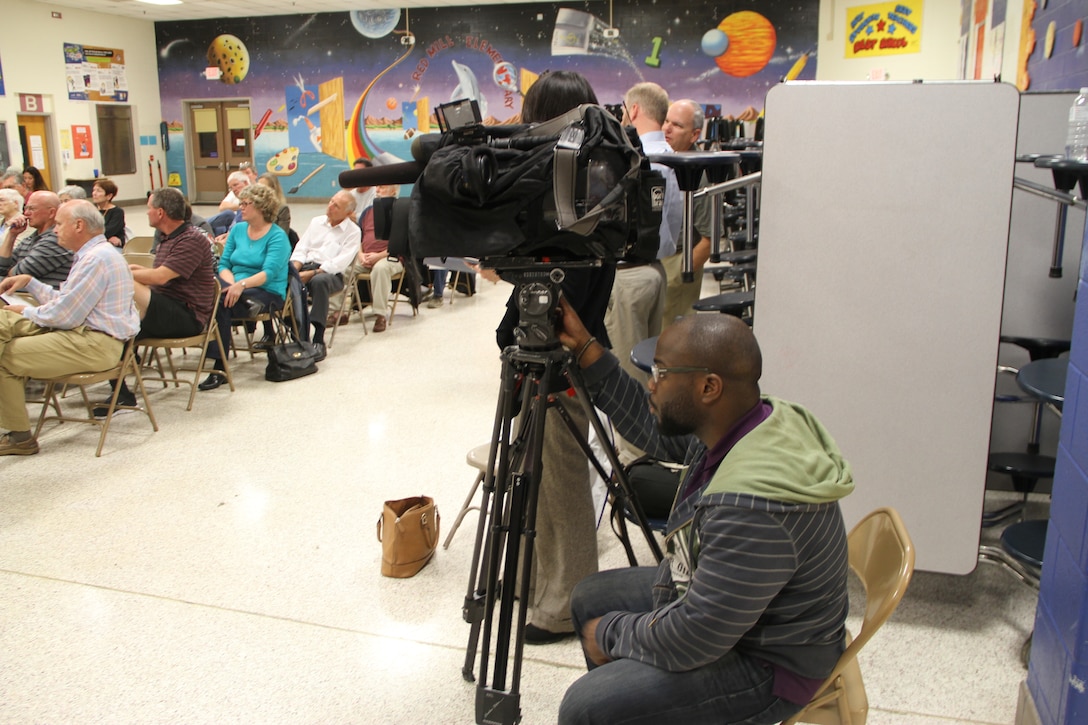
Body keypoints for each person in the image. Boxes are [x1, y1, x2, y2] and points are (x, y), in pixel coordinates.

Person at [552, 301, 854, 724]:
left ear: (709, 387)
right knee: (590, 596)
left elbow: (696, 636)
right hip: (744, 619)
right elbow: (653, 425)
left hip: (770, 665)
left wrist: (611, 634)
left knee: (588, 705)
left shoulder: (752, 508)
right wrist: (587, 350)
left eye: (660, 373)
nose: (651, 385)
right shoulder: (748, 421)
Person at [494, 70, 615, 643]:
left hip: (564, 358)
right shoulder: (595, 181)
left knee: (562, 482)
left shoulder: (576, 191)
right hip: (552, 349)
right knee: (536, 478)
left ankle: (564, 607)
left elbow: (562, 277)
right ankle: (534, 586)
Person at [0, 199, 140, 456]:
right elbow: (66, 301)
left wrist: (27, 311)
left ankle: (20, 436)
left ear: (79, 225)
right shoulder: (94, 254)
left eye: (59, 224)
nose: (55, 230)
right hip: (86, 336)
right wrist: (31, 283)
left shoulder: (95, 259)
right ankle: (17, 433)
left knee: (5, 356)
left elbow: (65, 315)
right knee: (5, 325)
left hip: (94, 343)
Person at [607, 83, 683, 449]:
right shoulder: (670, 157)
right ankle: (646, 453)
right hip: (655, 272)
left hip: (627, 277)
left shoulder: (632, 159)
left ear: (633, 110)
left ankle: (634, 461)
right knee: (647, 371)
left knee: (627, 382)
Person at [98, 188, 218, 414]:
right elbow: (156, 274)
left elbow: (161, 276)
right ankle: (121, 394)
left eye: (149, 208)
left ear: (161, 212)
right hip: (166, 307)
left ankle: (121, 393)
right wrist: (128, 268)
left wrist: (119, 272)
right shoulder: (168, 238)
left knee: (124, 283)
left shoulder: (191, 239)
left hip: (186, 316)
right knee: (115, 325)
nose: (147, 213)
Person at [199, 183, 290, 390]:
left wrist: (240, 285)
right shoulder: (239, 230)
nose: (241, 207)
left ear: (261, 207)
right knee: (210, 294)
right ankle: (216, 357)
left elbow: (268, 273)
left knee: (220, 304)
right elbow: (224, 264)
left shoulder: (277, 236)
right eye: (241, 203)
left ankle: (219, 365)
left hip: (267, 290)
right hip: (234, 284)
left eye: (246, 203)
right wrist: (232, 284)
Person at [660, 98, 714, 328]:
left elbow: (709, 239)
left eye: (677, 125)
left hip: (678, 262)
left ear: (695, 135)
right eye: (666, 121)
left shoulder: (698, 172)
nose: (667, 128)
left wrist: (679, 275)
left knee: (673, 342)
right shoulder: (666, 159)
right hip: (660, 260)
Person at [289, 190, 360, 360]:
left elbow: (340, 263)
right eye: (331, 201)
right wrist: (295, 270)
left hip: (330, 274)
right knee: (285, 279)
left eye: (337, 206)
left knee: (319, 282)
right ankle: (296, 334)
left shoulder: (353, 231)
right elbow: (301, 249)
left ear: (348, 213)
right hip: (306, 266)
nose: (331, 206)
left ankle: (318, 338)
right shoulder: (316, 222)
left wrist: (312, 273)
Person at [0, 190, 72, 288]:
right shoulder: (29, 239)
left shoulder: (57, 239)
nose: (26, 213)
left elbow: (18, 274)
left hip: (43, 301)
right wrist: (11, 236)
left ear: (51, 213)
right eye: (26, 208)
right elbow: (1, 268)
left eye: (32, 209)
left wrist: (8, 272)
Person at [208, 171, 251, 237]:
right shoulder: (234, 195)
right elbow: (222, 207)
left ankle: (198, 224)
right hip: (229, 226)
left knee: (228, 214)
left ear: (245, 183)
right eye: (231, 188)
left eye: (235, 185)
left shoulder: (252, 199)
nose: (233, 189)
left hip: (236, 230)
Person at [91, 178, 125, 247]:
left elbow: (108, 232)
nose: (94, 193)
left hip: (112, 246)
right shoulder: (90, 210)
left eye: (98, 191)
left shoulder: (117, 212)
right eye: (94, 190)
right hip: (94, 245)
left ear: (109, 196)